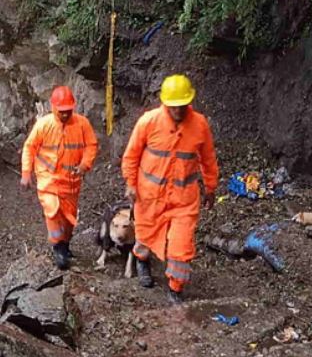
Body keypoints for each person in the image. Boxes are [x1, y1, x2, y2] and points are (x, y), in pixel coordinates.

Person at [121, 74, 219, 304]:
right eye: (173, 106)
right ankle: (142, 261)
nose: (177, 110)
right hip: (150, 195)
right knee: (145, 235)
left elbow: (208, 159)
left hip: (184, 200)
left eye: (181, 105)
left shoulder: (199, 125)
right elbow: (131, 156)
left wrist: (211, 187)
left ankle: (176, 288)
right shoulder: (149, 122)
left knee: (181, 246)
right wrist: (130, 183)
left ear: (189, 102)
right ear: (164, 102)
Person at [20, 86, 98, 269]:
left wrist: (84, 165)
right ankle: (58, 247)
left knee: (69, 217)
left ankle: (65, 243)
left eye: (68, 110)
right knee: (53, 210)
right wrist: (26, 173)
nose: (65, 114)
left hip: (71, 181)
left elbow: (91, 145)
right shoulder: (44, 125)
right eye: (61, 111)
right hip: (48, 179)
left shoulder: (82, 124)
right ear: (53, 107)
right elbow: (29, 147)